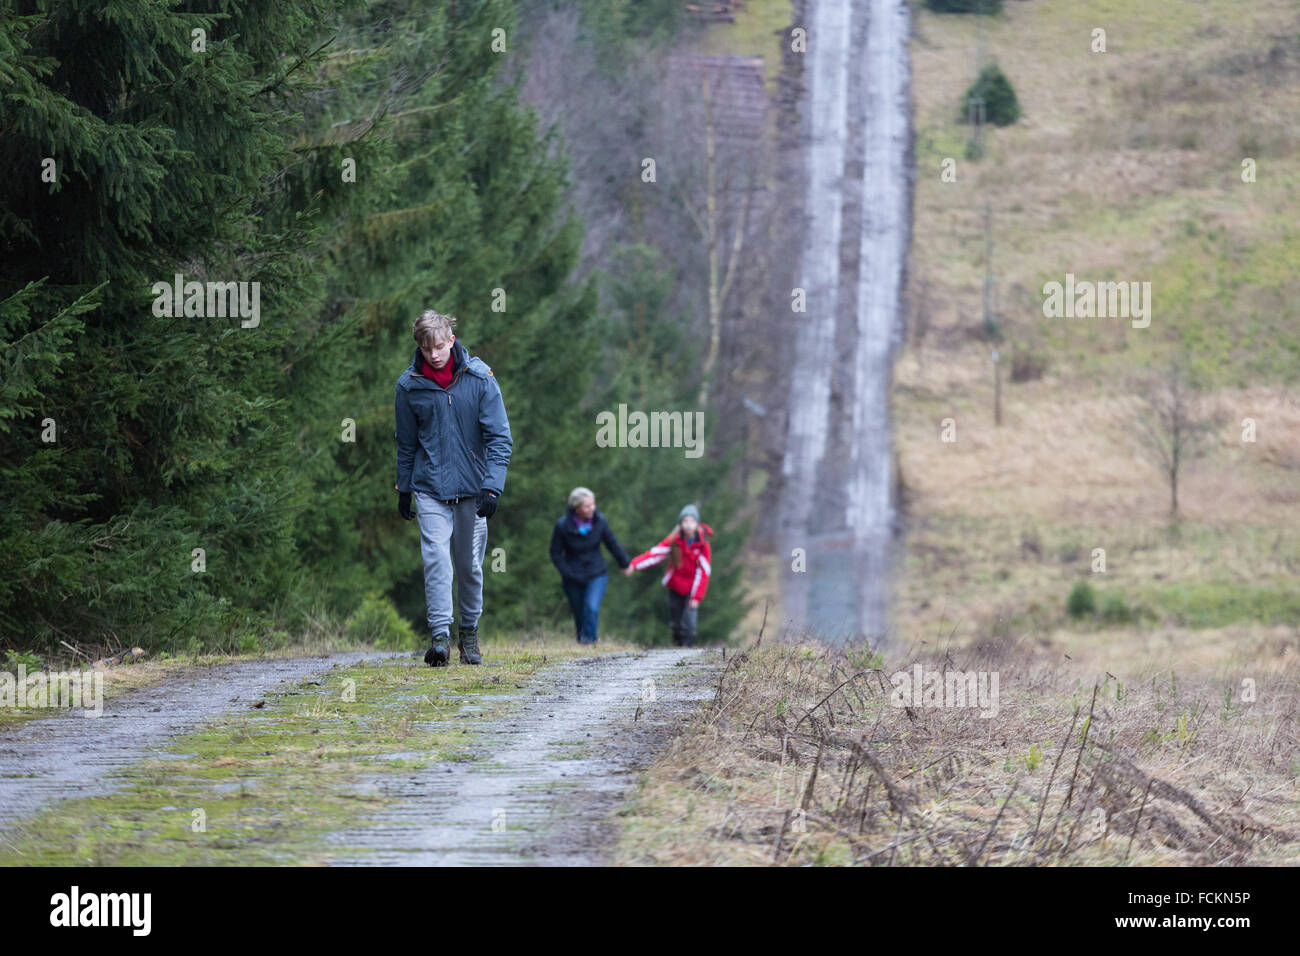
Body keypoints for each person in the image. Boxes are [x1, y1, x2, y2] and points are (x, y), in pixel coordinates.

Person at [394, 310, 512, 667]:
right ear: (420, 346)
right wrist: (404, 486)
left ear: (451, 340)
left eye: (440, 346)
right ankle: (440, 638)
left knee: (469, 566)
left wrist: (492, 487)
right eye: (427, 348)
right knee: (435, 561)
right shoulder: (409, 386)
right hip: (430, 487)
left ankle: (469, 633)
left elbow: (500, 437)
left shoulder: (479, 378)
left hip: (473, 489)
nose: (434, 354)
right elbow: (406, 443)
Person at [549, 487, 630, 644]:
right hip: (573, 576)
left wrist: (625, 563)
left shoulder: (600, 521)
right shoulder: (562, 526)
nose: (592, 508)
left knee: (591, 607)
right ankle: (582, 643)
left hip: (596, 573)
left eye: (593, 504)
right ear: (576, 508)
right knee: (579, 613)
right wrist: (566, 572)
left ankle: (589, 643)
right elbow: (555, 554)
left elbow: (612, 544)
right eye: (587, 506)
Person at [624, 504, 712, 647]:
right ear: (681, 523)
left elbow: (704, 572)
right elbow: (655, 555)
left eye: (692, 521)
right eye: (685, 521)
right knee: (675, 624)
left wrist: (697, 597)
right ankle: (677, 649)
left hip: (692, 588)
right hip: (675, 586)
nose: (688, 525)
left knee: (690, 625)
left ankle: (688, 651)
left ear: (697, 523)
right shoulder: (674, 540)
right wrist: (634, 565)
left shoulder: (702, 545)